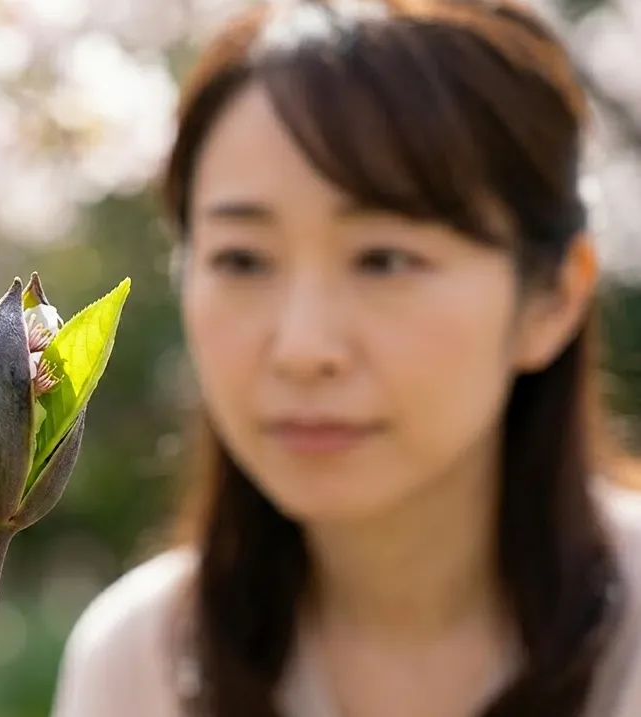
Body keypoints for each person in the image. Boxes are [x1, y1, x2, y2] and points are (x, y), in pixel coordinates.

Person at [48, 0, 641, 716]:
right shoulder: (139, 660)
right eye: (240, 258)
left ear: (552, 298)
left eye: (384, 259)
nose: (302, 349)